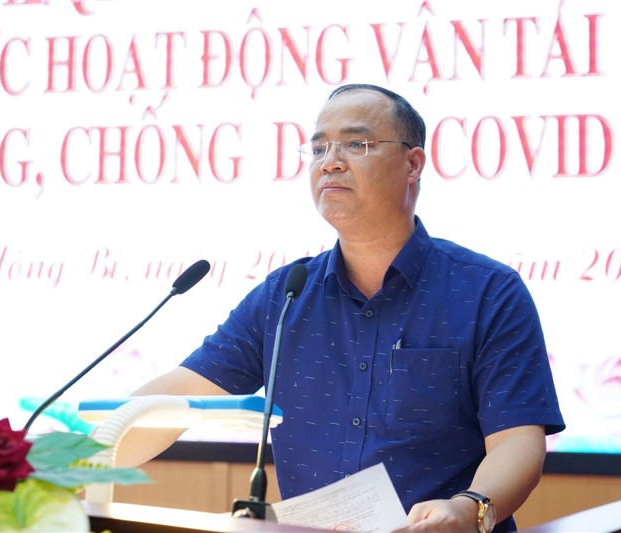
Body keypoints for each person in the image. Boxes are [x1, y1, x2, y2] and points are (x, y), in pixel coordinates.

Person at [123, 84, 565, 532]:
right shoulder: (285, 295)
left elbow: (517, 440)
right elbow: (178, 395)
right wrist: (86, 454)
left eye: (356, 144)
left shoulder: (487, 292)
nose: (330, 162)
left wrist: (470, 508)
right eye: (318, 148)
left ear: (413, 164)